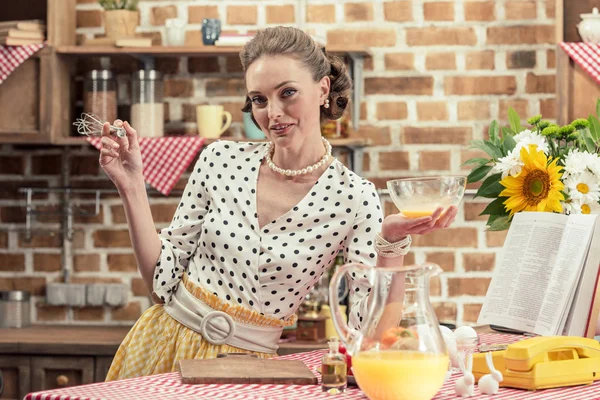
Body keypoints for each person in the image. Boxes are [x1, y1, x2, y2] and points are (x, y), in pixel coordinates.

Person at [99, 26, 458, 381]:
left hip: (252, 371)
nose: (273, 113)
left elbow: (373, 336)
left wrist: (391, 243)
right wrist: (131, 185)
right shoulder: (219, 160)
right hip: (161, 346)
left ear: (322, 89)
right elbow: (162, 283)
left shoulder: (354, 197)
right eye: (259, 99)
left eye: (287, 93)